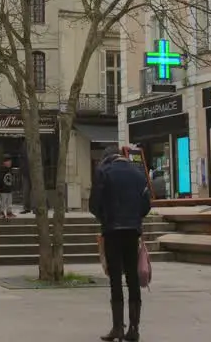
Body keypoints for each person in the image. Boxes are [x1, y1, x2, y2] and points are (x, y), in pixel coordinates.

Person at [89, 146, 150, 342]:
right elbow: (146, 204)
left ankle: (117, 327)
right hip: (132, 231)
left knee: (115, 278)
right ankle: (134, 328)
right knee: (132, 277)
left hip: (112, 230)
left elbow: (93, 204)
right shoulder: (138, 173)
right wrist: (134, 218)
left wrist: (105, 219)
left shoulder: (103, 172)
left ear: (107, 159)